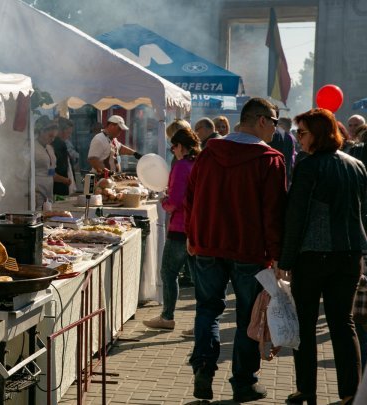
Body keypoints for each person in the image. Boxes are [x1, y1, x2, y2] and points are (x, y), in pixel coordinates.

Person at [184, 97, 287, 402]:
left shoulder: (208, 154)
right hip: (249, 251)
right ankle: (243, 382)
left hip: (208, 245)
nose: (276, 130)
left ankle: (203, 367)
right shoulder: (269, 160)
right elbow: (274, 213)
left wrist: (192, 235)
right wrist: (277, 254)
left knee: (207, 309)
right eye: (275, 123)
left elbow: (191, 198)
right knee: (247, 316)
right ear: (261, 121)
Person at [278, 108, 367, 405]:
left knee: (305, 322)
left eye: (302, 133)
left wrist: (285, 260)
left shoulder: (308, 166)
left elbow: (296, 216)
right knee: (343, 323)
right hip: (350, 254)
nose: (298, 139)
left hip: (313, 256)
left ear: (318, 133)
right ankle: (349, 394)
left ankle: (306, 388)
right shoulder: (356, 165)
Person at [142, 128, 200, 332]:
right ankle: (203, 320)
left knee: (168, 272)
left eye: (173, 146)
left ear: (181, 146)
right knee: (198, 278)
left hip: (180, 227)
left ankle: (167, 317)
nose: (172, 150)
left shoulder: (181, 166)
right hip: (197, 227)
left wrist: (164, 201)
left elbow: (175, 201)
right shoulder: (199, 163)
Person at [33, 115, 60, 208]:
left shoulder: (49, 148)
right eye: (50, 136)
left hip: (49, 187)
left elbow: (52, 170)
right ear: (41, 132)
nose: (52, 139)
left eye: (54, 137)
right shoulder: (33, 148)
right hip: (36, 189)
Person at [268, 116, 298, 186]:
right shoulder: (289, 136)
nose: (277, 125)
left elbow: (285, 155)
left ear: (285, 125)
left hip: (284, 169)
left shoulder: (287, 137)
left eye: (280, 123)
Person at [52, 117, 75, 197]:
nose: (69, 136)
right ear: (60, 131)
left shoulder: (62, 143)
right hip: (58, 188)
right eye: (68, 133)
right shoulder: (58, 144)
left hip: (63, 185)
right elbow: (53, 170)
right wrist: (63, 179)